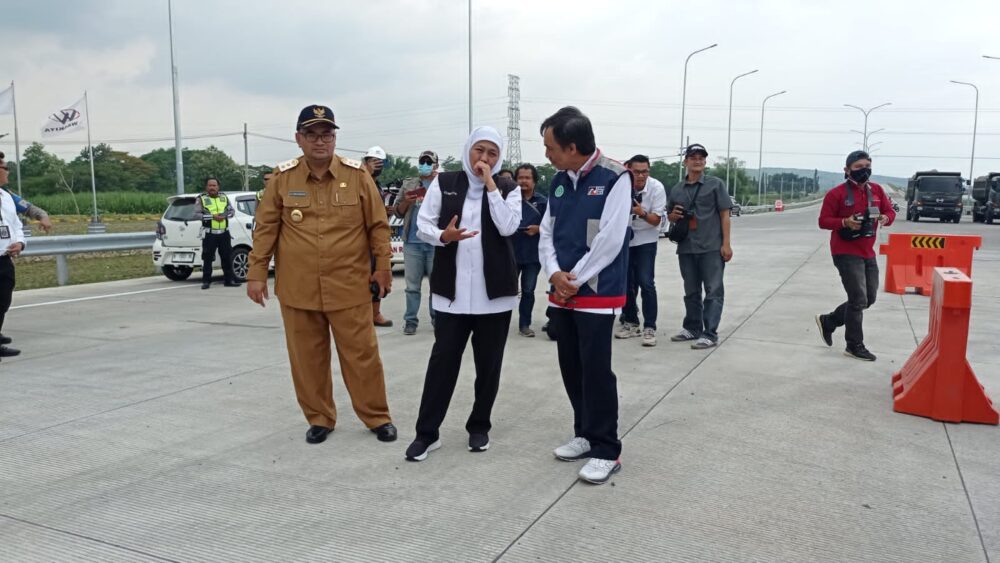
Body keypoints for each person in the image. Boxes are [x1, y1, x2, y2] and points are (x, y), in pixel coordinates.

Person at [246, 104, 397, 445]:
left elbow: (378, 226)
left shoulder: (357, 176)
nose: (320, 141)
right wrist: (256, 273)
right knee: (307, 360)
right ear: (298, 139)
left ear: (334, 138)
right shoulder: (282, 178)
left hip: (349, 286)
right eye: (311, 134)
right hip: (299, 288)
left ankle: (377, 416)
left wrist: (383, 267)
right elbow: (266, 229)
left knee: (362, 357)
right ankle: (319, 418)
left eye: (326, 134)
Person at [404, 126, 522, 462]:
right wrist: (445, 236)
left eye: (492, 153)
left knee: (489, 366)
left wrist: (491, 186)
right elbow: (423, 225)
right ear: (468, 149)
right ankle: (427, 434)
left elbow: (508, 226)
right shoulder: (444, 183)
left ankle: (479, 426)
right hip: (451, 294)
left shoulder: (508, 188)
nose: (484, 158)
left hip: (493, 296)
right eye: (479, 150)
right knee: (442, 364)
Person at [538, 106, 630, 485]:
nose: (547, 154)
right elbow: (547, 231)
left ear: (572, 147)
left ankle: (606, 448)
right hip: (562, 292)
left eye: (551, 147)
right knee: (571, 367)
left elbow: (610, 238)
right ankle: (585, 433)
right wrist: (554, 273)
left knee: (596, 372)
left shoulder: (615, 177)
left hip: (596, 293)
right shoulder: (559, 181)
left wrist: (574, 278)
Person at [815, 150, 895, 361]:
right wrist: (845, 222)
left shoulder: (876, 191)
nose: (864, 170)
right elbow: (823, 221)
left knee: (869, 298)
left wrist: (885, 218)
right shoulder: (837, 194)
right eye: (858, 167)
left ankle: (829, 321)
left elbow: (890, 211)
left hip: (868, 251)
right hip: (845, 252)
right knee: (858, 299)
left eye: (867, 166)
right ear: (847, 170)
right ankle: (854, 345)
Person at [666, 143, 733, 349]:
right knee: (691, 291)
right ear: (685, 162)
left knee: (713, 291)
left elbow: (725, 214)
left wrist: (726, 244)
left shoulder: (715, 184)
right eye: (693, 157)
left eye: (701, 158)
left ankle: (710, 333)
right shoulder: (677, 189)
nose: (698, 161)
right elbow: (669, 215)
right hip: (686, 247)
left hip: (711, 246)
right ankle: (692, 328)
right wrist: (673, 216)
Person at [616, 155, 666, 347]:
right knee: (626, 283)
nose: (641, 176)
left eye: (645, 171)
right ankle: (631, 322)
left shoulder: (656, 188)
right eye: (636, 172)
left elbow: (656, 220)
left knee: (646, 282)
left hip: (646, 238)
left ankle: (650, 326)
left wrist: (641, 212)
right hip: (624, 238)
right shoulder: (621, 185)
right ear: (628, 170)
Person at [395, 150, 439, 335]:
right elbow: (397, 212)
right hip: (413, 242)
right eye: (422, 161)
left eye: (429, 162)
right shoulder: (409, 184)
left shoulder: (442, 183)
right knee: (412, 286)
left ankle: (437, 319)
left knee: (436, 285)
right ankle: (410, 320)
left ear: (436, 165)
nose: (425, 165)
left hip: (435, 242)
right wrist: (407, 201)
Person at [511, 163, 546, 337]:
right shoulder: (509, 200)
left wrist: (539, 229)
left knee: (528, 290)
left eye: (527, 178)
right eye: (520, 178)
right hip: (511, 253)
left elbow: (553, 226)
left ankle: (524, 324)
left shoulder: (543, 202)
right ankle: (499, 323)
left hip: (533, 255)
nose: (523, 181)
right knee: (507, 291)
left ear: (534, 181)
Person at [363, 146, 393, 328]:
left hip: (376, 240)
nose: (377, 165)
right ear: (365, 163)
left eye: (380, 162)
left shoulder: (379, 187)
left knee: (379, 274)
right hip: (360, 241)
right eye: (374, 162)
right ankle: (364, 314)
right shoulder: (359, 183)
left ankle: (375, 313)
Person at [193, 177, 239, 290]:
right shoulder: (201, 198)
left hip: (224, 233)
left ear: (218, 187)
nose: (212, 187)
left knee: (227, 257)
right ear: (206, 187)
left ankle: (229, 280)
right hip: (210, 234)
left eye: (214, 185)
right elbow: (196, 215)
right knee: (207, 258)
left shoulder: (224, 197)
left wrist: (223, 216)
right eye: (210, 185)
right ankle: (206, 281)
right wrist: (212, 216)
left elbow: (232, 212)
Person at [0, 169, 25, 360]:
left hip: (4, 258)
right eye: (4, 168)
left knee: (3, 301)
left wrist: (20, 243)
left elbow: (16, 225)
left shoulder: (6, 196)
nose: (7, 172)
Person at [0, 151, 53, 234]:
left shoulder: (6, 194)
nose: (8, 172)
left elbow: (27, 207)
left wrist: (43, 216)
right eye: (5, 168)